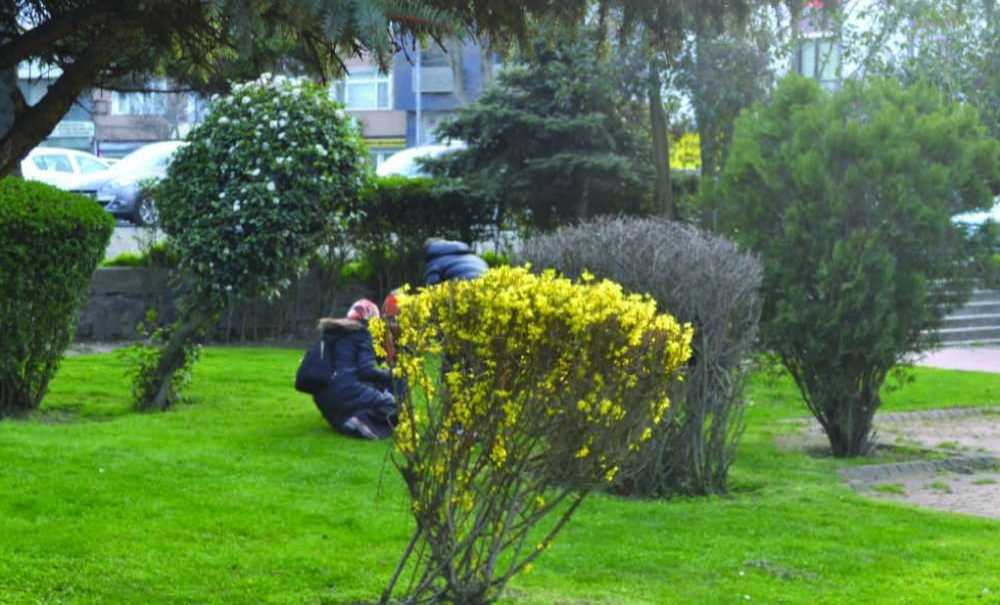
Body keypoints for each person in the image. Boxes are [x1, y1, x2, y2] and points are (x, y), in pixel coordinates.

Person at [312, 299, 396, 440]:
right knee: (394, 407)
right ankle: (361, 421)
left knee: (368, 390)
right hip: (345, 390)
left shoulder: (330, 333)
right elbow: (366, 371)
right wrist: (393, 375)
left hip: (323, 398)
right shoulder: (362, 334)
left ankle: (345, 421)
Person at [423, 238, 488, 286]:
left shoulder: (435, 262)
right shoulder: (474, 257)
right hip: (488, 285)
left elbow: (432, 286)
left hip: (465, 287)